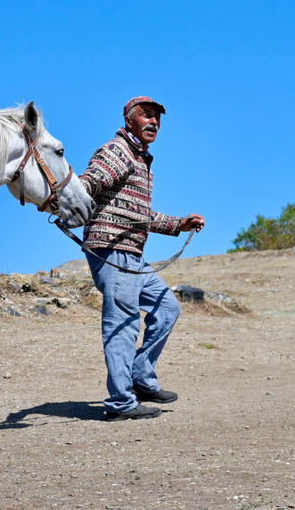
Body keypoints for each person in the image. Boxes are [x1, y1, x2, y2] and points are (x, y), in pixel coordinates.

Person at [78, 96, 205, 421]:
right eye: (146, 116)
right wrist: (66, 201)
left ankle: (141, 378)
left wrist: (178, 224)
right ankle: (121, 402)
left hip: (132, 254)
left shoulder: (141, 159)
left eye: (157, 119)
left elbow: (139, 214)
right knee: (123, 323)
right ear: (129, 119)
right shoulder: (117, 151)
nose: (153, 122)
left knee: (167, 308)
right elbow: (88, 183)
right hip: (111, 250)